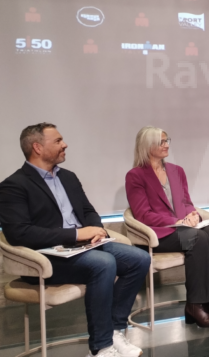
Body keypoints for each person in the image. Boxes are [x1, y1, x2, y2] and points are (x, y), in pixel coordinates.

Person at [0, 123, 150, 357]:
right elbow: (20, 233)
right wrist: (78, 234)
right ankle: (101, 347)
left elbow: (88, 211)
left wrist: (97, 230)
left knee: (140, 259)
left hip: (83, 247)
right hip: (45, 257)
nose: (65, 144)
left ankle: (114, 331)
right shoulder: (13, 186)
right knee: (104, 263)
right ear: (37, 147)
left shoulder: (68, 177)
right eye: (58, 141)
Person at [125, 126, 209, 328]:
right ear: (147, 146)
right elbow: (143, 214)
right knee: (199, 238)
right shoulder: (135, 176)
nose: (166, 145)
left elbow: (186, 202)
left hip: (182, 228)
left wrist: (192, 215)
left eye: (167, 140)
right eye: (161, 142)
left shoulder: (176, 170)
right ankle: (195, 305)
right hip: (158, 233)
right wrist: (176, 222)